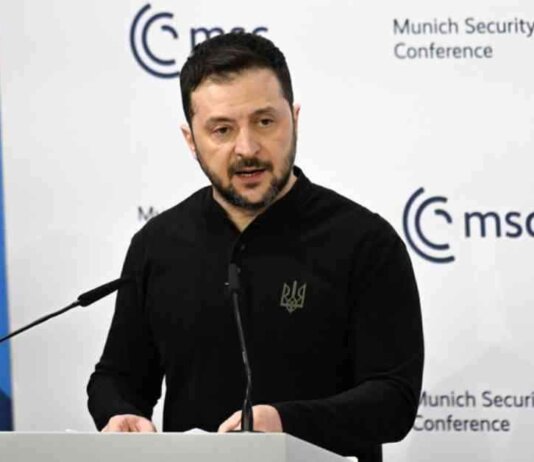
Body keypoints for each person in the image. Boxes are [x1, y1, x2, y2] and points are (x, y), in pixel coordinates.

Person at [87, 32, 424, 462]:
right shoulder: (157, 244)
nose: (247, 149)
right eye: (222, 130)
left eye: (265, 122)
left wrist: (284, 423)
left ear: (294, 119)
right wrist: (119, 413)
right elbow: (118, 376)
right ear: (191, 140)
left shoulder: (365, 242)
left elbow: (393, 400)